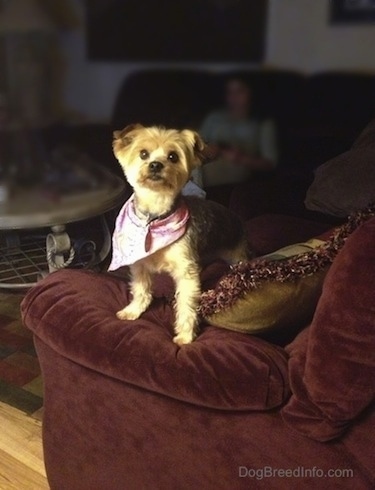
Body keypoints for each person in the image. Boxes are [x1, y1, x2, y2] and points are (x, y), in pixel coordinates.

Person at [195, 76, 278, 188]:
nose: (234, 97)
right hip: (204, 157)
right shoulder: (215, 117)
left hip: (235, 165)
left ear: (251, 93)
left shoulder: (263, 124)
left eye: (240, 91)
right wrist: (207, 148)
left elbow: (270, 163)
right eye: (230, 92)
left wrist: (240, 158)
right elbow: (197, 141)